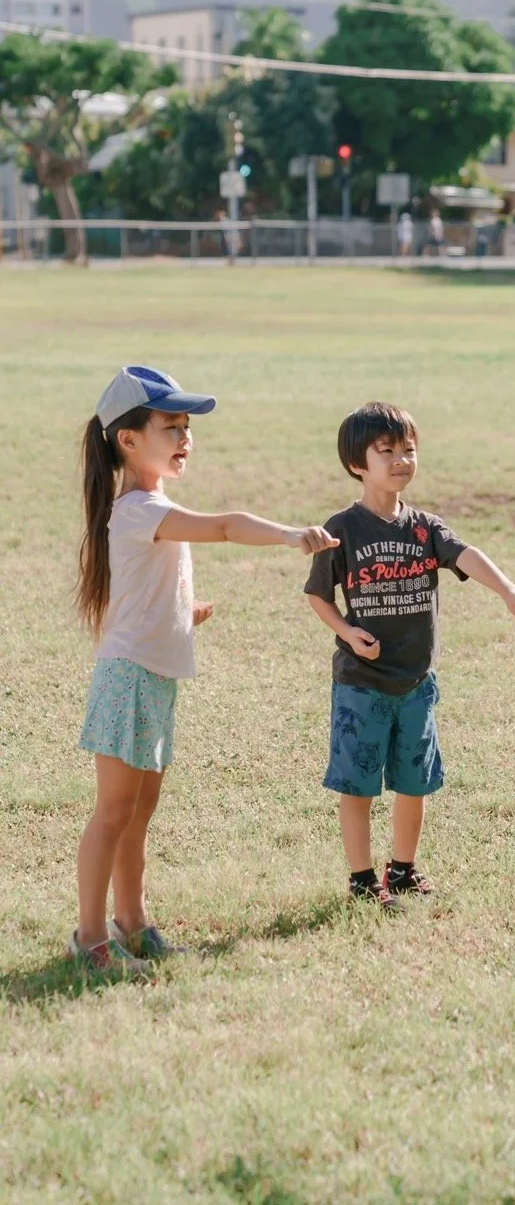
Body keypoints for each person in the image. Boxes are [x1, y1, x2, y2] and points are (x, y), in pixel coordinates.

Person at [75, 366, 338, 979]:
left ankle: (132, 923)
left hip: (154, 676)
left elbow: (142, 590)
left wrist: (181, 611)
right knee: (113, 811)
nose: (185, 437)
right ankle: (89, 938)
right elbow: (223, 525)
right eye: (171, 426)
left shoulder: (152, 505)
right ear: (128, 440)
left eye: (187, 427)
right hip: (128, 680)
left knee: (140, 811)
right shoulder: (138, 509)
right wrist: (290, 535)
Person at [304, 402, 515, 910]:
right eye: (385, 451)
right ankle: (363, 879)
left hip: (415, 681)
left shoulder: (425, 527)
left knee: (415, 781)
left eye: (408, 450)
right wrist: (347, 632)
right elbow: (318, 596)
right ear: (356, 464)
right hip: (361, 681)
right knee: (358, 783)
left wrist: (509, 591)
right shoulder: (342, 527)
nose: (400, 461)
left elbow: (467, 555)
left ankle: (404, 870)